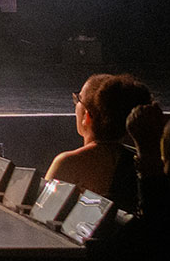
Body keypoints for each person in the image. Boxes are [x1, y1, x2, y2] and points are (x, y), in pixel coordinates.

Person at [45, 72, 154, 211]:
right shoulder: (139, 161)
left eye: (79, 99)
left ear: (87, 116)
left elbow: (42, 217)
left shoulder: (68, 163)